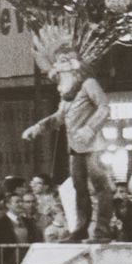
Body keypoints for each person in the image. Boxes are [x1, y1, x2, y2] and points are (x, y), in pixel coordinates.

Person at [21, 44, 109, 241]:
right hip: (75, 148)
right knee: (79, 189)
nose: (59, 68)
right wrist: (37, 128)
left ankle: (102, 230)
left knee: (101, 188)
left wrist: (90, 128)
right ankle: (81, 228)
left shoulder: (89, 84)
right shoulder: (67, 93)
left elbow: (104, 107)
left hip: (93, 146)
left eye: (63, 61)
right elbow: (58, 117)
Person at [28, 175, 68, 243]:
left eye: (38, 183)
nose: (33, 185)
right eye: (32, 182)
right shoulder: (30, 198)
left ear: (46, 186)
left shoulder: (55, 200)